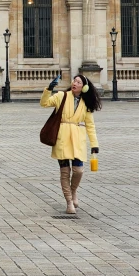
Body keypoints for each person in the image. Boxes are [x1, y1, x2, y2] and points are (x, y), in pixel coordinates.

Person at [40, 74, 101, 214]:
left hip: (78, 139)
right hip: (62, 137)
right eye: (74, 80)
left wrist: (94, 144)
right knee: (65, 172)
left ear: (83, 87)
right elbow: (44, 103)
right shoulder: (62, 96)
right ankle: (69, 202)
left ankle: (73, 192)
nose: (75, 83)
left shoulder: (86, 104)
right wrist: (49, 89)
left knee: (78, 170)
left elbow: (90, 126)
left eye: (78, 82)